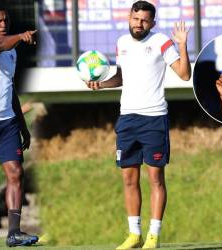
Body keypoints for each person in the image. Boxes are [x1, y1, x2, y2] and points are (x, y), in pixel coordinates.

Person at [86, 1, 191, 248]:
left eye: (144, 20)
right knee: (129, 179)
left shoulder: (161, 42)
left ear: (152, 23)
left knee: (155, 178)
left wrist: (183, 45)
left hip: (154, 118)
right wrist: (101, 84)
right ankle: (135, 234)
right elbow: (122, 77)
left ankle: (153, 235)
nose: (139, 24)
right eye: (136, 18)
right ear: (129, 18)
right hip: (127, 119)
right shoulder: (122, 43)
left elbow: (184, 74)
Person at [0, 5, 38, 247]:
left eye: (5, 20)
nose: (3, 24)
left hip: (6, 123)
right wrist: (20, 36)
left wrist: (22, 126)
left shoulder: (12, 52)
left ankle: (14, 233)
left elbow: (10, 90)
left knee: (16, 174)